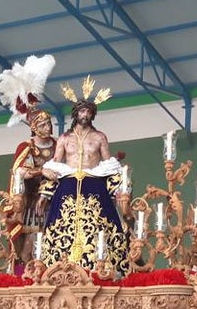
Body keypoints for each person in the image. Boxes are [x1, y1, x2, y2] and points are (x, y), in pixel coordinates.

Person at [38, 78, 129, 275]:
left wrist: (121, 193)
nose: (85, 115)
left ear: (92, 115)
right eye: (82, 111)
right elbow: (54, 165)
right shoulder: (64, 139)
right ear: (75, 114)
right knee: (59, 225)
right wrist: (44, 195)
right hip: (68, 185)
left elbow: (109, 166)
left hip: (94, 184)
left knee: (100, 226)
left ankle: (101, 266)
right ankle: (58, 266)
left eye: (88, 112)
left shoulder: (100, 137)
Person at [0, 54, 58, 266]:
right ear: (33, 128)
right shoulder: (27, 147)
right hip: (32, 200)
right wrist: (41, 172)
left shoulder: (58, 144)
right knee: (31, 242)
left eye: (48, 124)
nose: (47, 128)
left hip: (55, 197)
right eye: (42, 126)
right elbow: (19, 172)